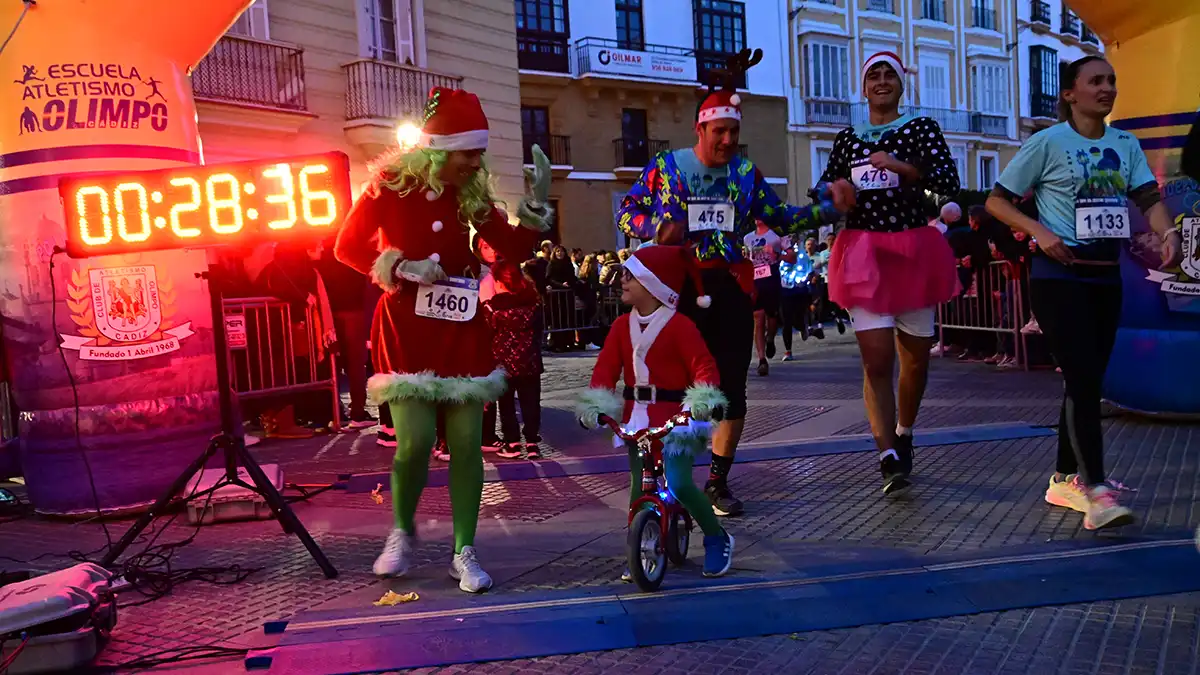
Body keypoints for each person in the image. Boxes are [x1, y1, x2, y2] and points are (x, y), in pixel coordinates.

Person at [617, 47, 853, 517]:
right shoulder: (666, 170)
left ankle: (718, 483)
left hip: (725, 289)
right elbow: (628, 210)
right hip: (672, 291)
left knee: (730, 390)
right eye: (719, 131)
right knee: (669, 388)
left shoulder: (745, 175)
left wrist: (830, 208)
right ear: (699, 130)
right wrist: (654, 230)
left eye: (734, 131)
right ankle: (666, 477)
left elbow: (781, 217)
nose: (727, 140)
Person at [334, 86, 552, 592]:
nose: (476, 162)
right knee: (411, 444)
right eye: (468, 152)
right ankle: (402, 532)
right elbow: (346, 247)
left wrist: (537, 210)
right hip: (406, 329)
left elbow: (509, 245)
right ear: (440, 147)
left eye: (479, 153)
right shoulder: (388, 185)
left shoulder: (470, 194)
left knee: (467, 444)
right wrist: (401, 266)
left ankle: (464, 550)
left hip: (463, 330)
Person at [985, 55, 1181, 530]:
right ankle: (1096, 490)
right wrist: (1039, 232)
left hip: (1104, 276)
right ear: (1071, 94)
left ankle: (1063, 478)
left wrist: (1168, 231)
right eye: (1096, 81)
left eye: (1112, 80)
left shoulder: (1125, 144)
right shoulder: (1048, 142)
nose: (1107, 88)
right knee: (1084, 377)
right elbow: (996, 201)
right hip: (1058, 278)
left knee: (1084, 379)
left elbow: (1147, 199)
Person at [816, 51, 961, 496]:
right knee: (876, 359)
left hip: (913, 249)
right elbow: (828, 188)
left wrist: (901, 168)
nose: (881, 81)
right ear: (863, 88)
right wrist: (833, 194)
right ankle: (887, 457)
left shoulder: (920, 129)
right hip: (864, 253)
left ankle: (905, 430)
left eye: (889, 75)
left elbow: (948, 181)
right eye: (873, 75)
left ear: (901, 85)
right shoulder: (846, 140)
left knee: (915, 359)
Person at [576, 245, 734, 578]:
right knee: (639, 487)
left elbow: (703, 366)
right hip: (638, 418)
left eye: (630, 276)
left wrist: (701, 401)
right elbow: (605, 370)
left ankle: (717, 537)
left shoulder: (680, 326)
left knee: (678, 483)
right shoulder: (621, 326)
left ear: (654, 285)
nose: (622, 280)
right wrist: (596, 404)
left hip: (679, 419)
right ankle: (639, 548)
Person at [476, 234, 546, 460]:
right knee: (531, 403)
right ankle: (533, 442)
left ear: (500, 282)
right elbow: (539, 331)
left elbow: (488, 331)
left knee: (506, 405)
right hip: (530, 361)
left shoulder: (493, 308)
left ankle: (512, 442)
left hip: (503, 362)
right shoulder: (532, 303)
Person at [743, 221, 786, 376]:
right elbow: (746, 259)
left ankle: (770, 339)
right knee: (758, 318)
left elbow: (792, 258)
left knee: (772, 317)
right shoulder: (747, 238)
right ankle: (762, 360)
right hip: (755, 281)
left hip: (771, 280)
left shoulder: (777, 235)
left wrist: (777, 255)